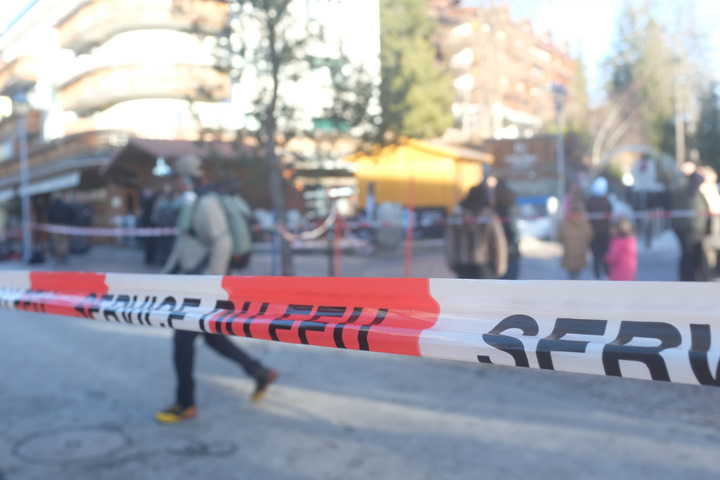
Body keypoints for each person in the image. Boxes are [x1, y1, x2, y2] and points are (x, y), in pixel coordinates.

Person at [156, 154, 277, 424]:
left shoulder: (206, 203)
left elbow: (222, 243)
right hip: (194, 282)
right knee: (211, 336)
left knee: (182, 341)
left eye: (175, 178)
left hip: (203, 284)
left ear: (184, 178)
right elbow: (184, 245)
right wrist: (163, 279)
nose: (173, 183)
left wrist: (210, 284)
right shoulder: (192, 203)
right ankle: (258, 371)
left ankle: (185, 403)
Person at [444, 182, 508, 279]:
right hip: (485, 264)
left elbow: (450, 241)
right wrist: (500, 266)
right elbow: (498, 242)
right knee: (484, 289)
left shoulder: (456, 216)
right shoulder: (489, 216)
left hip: (462, 264)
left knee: (465, 289)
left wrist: (451, 262)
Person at [671, 162, 709, 281]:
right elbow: (699, 179)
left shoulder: (681, 184)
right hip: (689, 226)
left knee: (690, 255)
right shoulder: (684, 184)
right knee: (689, 255)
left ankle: (688, 279)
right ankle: (688, 280)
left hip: (688, 225)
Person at [491, 177, 521, 279]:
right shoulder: (511, 208)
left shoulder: (500, 212)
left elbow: (513, 234)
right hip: (510, 254)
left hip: (504, 254)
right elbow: (515, 235)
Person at [557, 198, 594, 280]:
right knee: (578, 275)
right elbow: (590, 235)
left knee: (570, 275)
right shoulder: (584, 221)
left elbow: (559, 236)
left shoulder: (566, 221)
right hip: (581, 251)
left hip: (569, 251)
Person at [586, 176, 613, 279]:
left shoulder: (590, 202)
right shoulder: (606, 202)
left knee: (596, 256)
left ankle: (597, 276)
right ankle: (606, 274)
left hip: (594, 233)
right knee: (605, 255)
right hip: (604, 233)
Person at [604, 217, 637, 281]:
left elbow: (614, 255)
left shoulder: (617, 242)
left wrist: (607, 258)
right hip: (629, 267)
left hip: (618, 268)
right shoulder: (630, 240)